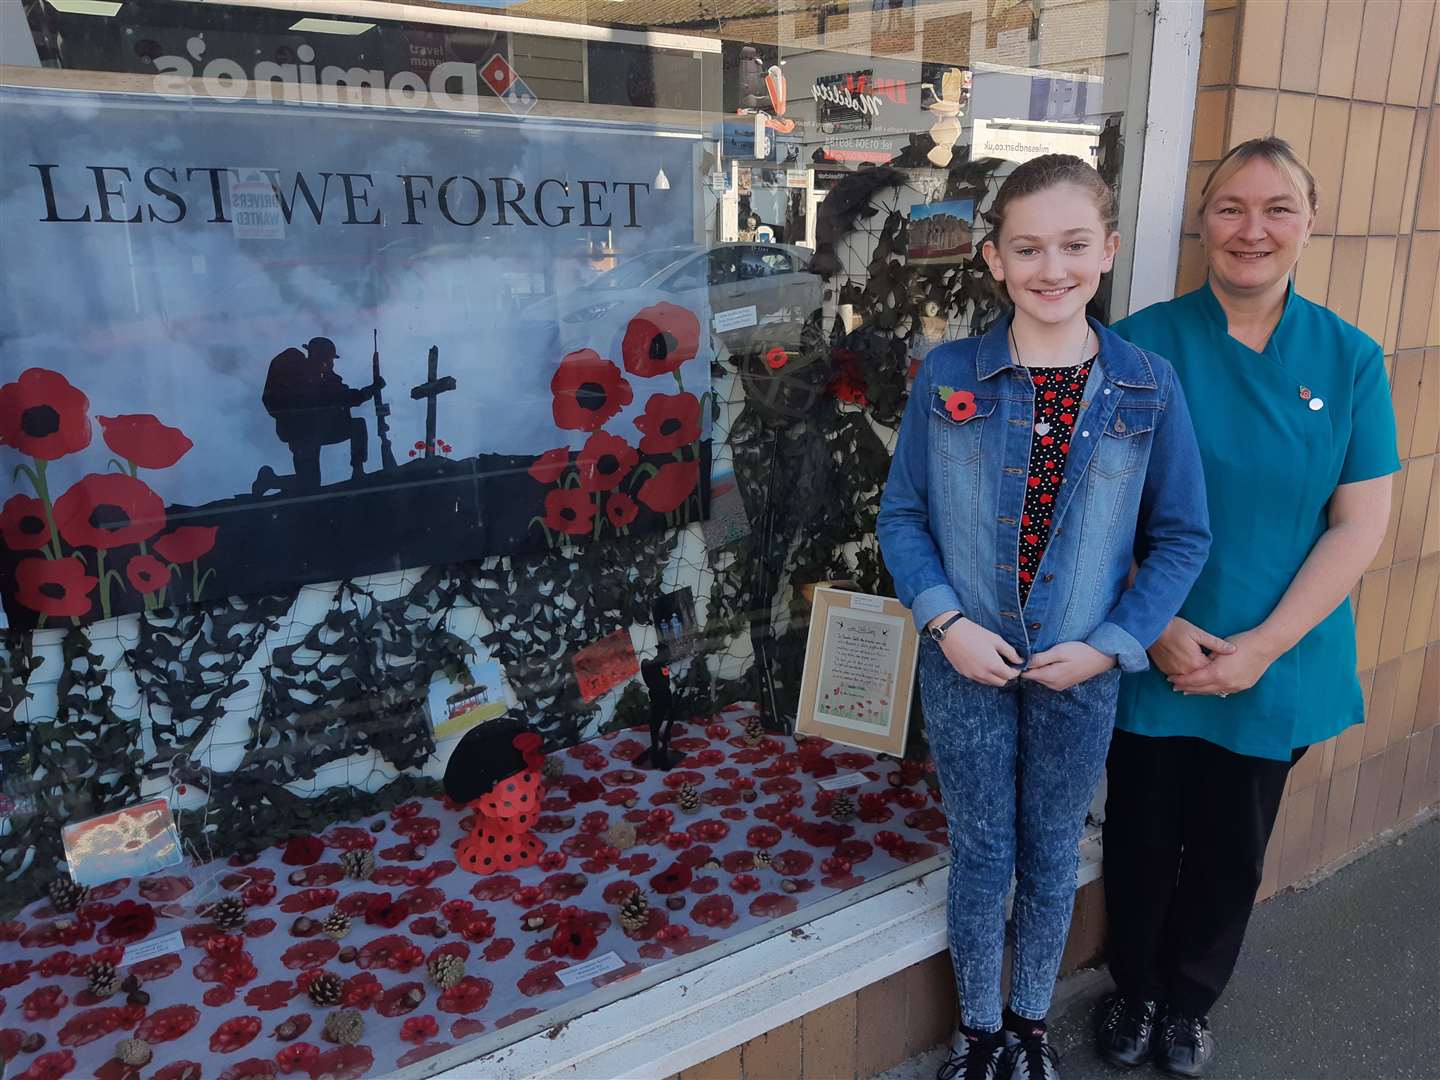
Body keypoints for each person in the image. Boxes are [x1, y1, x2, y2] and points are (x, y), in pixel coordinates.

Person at [878, 154, 1211, 1080]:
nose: (1050, 267)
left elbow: (1182, 536)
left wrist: (1111, 646)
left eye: (1072, 244)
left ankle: (1029, 1026)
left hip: (1079, 673)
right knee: (983, 847)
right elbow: (903, 515)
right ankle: (978, 1031)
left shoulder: (1145, 387)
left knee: (1053, 847)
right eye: (1027, 247)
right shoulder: (950, 373)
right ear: (993, 259)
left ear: (1108, 250)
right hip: (968, 663)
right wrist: (945, 621)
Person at [1095, 138, 1400, 1078]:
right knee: (1143, 833)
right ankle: (1134, 990)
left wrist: (1263, 647)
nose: (1251, 229)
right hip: (1157, 641)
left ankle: (1190, 1001)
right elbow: (1093, 503)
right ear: (1201, 222)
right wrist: (1156, 620)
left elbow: (1358, 521)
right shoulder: (1141, 342)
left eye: (1277, 209)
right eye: (1230, 207)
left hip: (1280, 656)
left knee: (1232, 845)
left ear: (1309, 224)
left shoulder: (1348, 359)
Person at [260, 336, 383, 491]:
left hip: (318, 430)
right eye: (329, 359)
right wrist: (369, 391)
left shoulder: (325, 378)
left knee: (357, 425)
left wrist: (370, 390)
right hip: (301, 435)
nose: (331, 363)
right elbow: (341, 397)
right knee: (309, 485)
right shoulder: (301, 375)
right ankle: (269, 482)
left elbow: (347, 396)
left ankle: (358, 470)